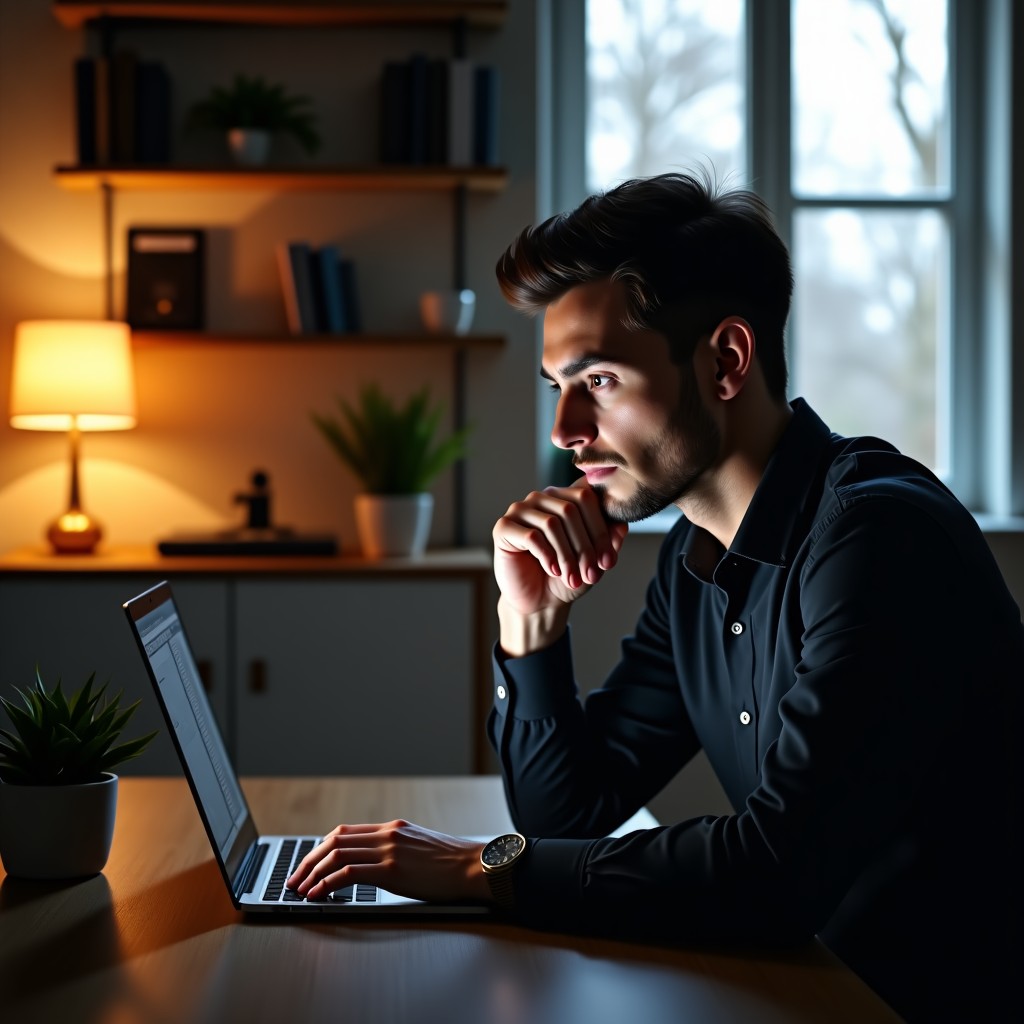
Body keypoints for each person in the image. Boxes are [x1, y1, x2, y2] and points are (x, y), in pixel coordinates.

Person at [288, 171, 1022, 1023]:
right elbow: (572, 815)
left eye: (596, 381)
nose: (564, 432)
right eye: (556, 388)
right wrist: (528, 622)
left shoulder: (878, 539)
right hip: (803, 992)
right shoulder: (693, 558)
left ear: (725, 361)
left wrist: (476, 866)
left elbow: (771, 877)